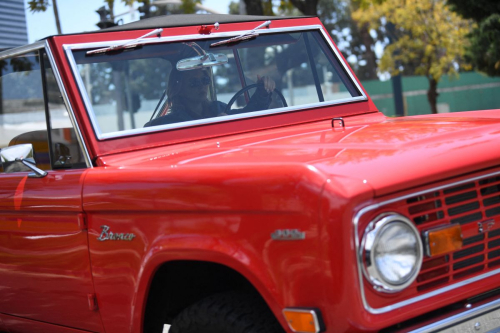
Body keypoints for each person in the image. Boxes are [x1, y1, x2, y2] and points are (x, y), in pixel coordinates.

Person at [144, 67, 276, 127]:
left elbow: (248, 117)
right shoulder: (167, 125)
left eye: (205, 80)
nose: (202, 85)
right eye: (194, 82)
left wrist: (262, 92)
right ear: (179, 88)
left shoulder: (217, 108)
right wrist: (213, 127)